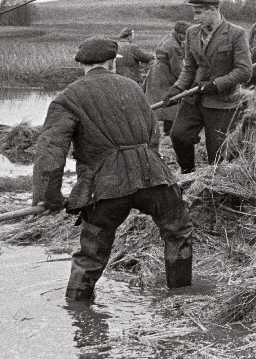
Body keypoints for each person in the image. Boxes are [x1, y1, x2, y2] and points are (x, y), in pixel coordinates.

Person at [32, 37, 193, 301]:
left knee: (91, 253)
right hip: (154, 178)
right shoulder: (133, 88)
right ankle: (181, 298)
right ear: (110, 64)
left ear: (82, 65)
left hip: (105, 188)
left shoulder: (66, 98)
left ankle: (78, 310)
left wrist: (47, 197)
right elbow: (154, 136)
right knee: (178, 231)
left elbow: (50, 153)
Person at [163, 0, 252, 173]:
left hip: (222, 102)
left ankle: (215, 187)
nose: (195, 18)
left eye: (198, 13)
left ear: (212, 10)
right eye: (194, 13)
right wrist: (177, 88)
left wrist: (216, 84)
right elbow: (189, 68)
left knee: (217, 155)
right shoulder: (191, 33)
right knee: (179, 135)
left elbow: (244, 71)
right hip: (194, 98)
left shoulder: (236, 33)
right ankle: (188, 174)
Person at [145, 21, 190, 136]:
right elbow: (177, 68)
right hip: (164, 73)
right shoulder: (174, 46)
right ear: (179, 33)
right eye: (185, 35)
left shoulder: (170, 39)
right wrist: (186, 80)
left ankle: (164, 129)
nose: (185, 38)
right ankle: (169, 130)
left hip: (158, 72)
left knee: (160, 101)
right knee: (171, 99)